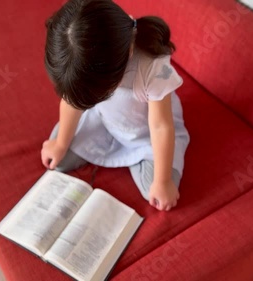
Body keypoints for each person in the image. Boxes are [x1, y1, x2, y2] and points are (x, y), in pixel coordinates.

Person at [41, 0, 189, 211]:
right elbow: (72, 103)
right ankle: (110, 148)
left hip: (146, 135)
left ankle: (136, 160)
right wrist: (61, 144)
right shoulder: (93, 59)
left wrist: (162, 182)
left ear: (128, 54)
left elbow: (160, 127)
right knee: (59, 159)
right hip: (105, 121)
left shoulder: (152, 68)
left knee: (156, 192)